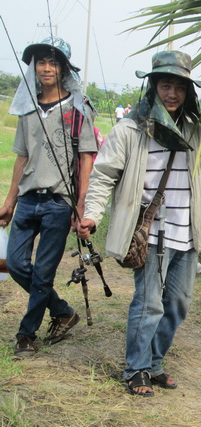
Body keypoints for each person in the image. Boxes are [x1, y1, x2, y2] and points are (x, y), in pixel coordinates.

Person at [77, 50, 201, 397]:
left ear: (188, 92)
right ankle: (136, 369)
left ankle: (154, 362)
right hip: (148, 234)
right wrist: (92, 214)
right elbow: (103, 176)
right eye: (166, 85)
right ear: (153, 87)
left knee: (178, 304)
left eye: (179, 86)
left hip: (187, 234)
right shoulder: (131, 128)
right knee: (148, 304)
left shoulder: (196, 132)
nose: (172, 93)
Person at [0, 36, 98, 356]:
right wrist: (10, 201)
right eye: (40, 62)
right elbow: (22, 157)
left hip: (58, 202)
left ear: (64, 68)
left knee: (43, 272)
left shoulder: (78, 109)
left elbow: (86, 158)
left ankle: (26, 334)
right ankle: (62, 311)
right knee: (15, 264)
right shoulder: (27, 108)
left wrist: (80, 205)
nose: (45, 68)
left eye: (53, 62)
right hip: (28, 199)